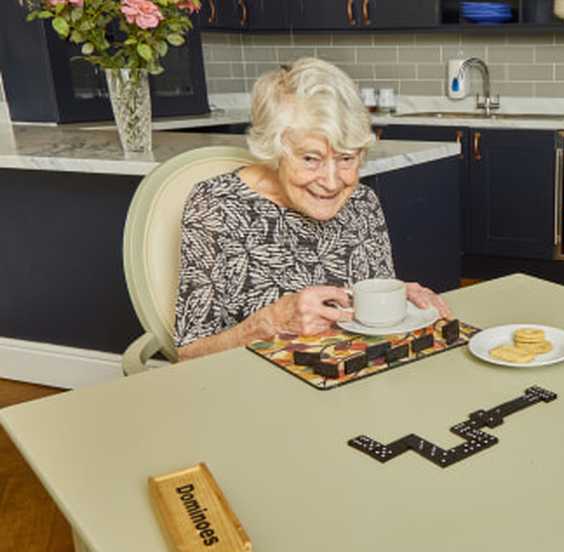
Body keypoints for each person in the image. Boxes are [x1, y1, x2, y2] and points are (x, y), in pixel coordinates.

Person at [175, 58, 451, 360]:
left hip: (354, 379)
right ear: (274, 151)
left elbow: (367, 320)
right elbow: (188, 354)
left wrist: (400, 302)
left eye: (346, 159)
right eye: (310, 158)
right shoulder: (216, 205)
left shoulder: (362, 202)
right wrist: (267, 325)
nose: (332, 182)